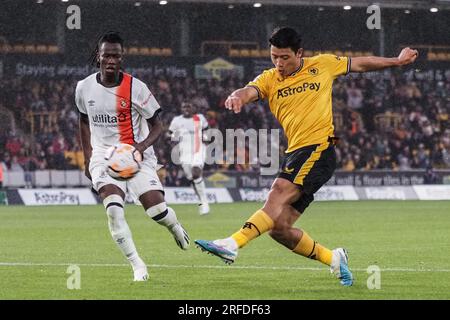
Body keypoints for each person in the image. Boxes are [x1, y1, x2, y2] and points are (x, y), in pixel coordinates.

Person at [195, 27, 418, 286]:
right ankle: (333, 258)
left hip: (319, 147)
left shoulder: (322, 64)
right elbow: (249, 90)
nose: (278, 63)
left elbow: (360, 63)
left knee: (278, 191)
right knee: (279, 229)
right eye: (274, 56)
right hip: (296, 152)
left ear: (299, 53)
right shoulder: (269, 78)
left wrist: (396, 61)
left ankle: (231, 244)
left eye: (284, 57)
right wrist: (237, 97)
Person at [76, 32, 190, 282]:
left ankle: (174, 226)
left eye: (116, 55)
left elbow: (158, 125)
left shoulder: (136, 88)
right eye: (106, 55)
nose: (111, 60)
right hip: (104, 158)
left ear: (122, 57)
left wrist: (140, 146)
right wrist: (88, 158)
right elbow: (84, 121)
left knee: (157, 211)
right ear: (99, 56)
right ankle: (137, 266)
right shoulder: (84, 87)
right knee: (114, 211)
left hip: (137, 158)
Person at [168, 101, 210, 215]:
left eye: (188, 106)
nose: (186, 108)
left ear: (193, 108)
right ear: (181, 109)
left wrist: (207, 139)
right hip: (184, 153)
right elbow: (169, 134)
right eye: (184, 106)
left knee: (196, 173)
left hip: (199, 150)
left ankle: (205, 202)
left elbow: (206, 131)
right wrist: (172, 138)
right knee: (192, 178)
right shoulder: (177, 120)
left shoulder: (199, 118)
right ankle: (201, 201)